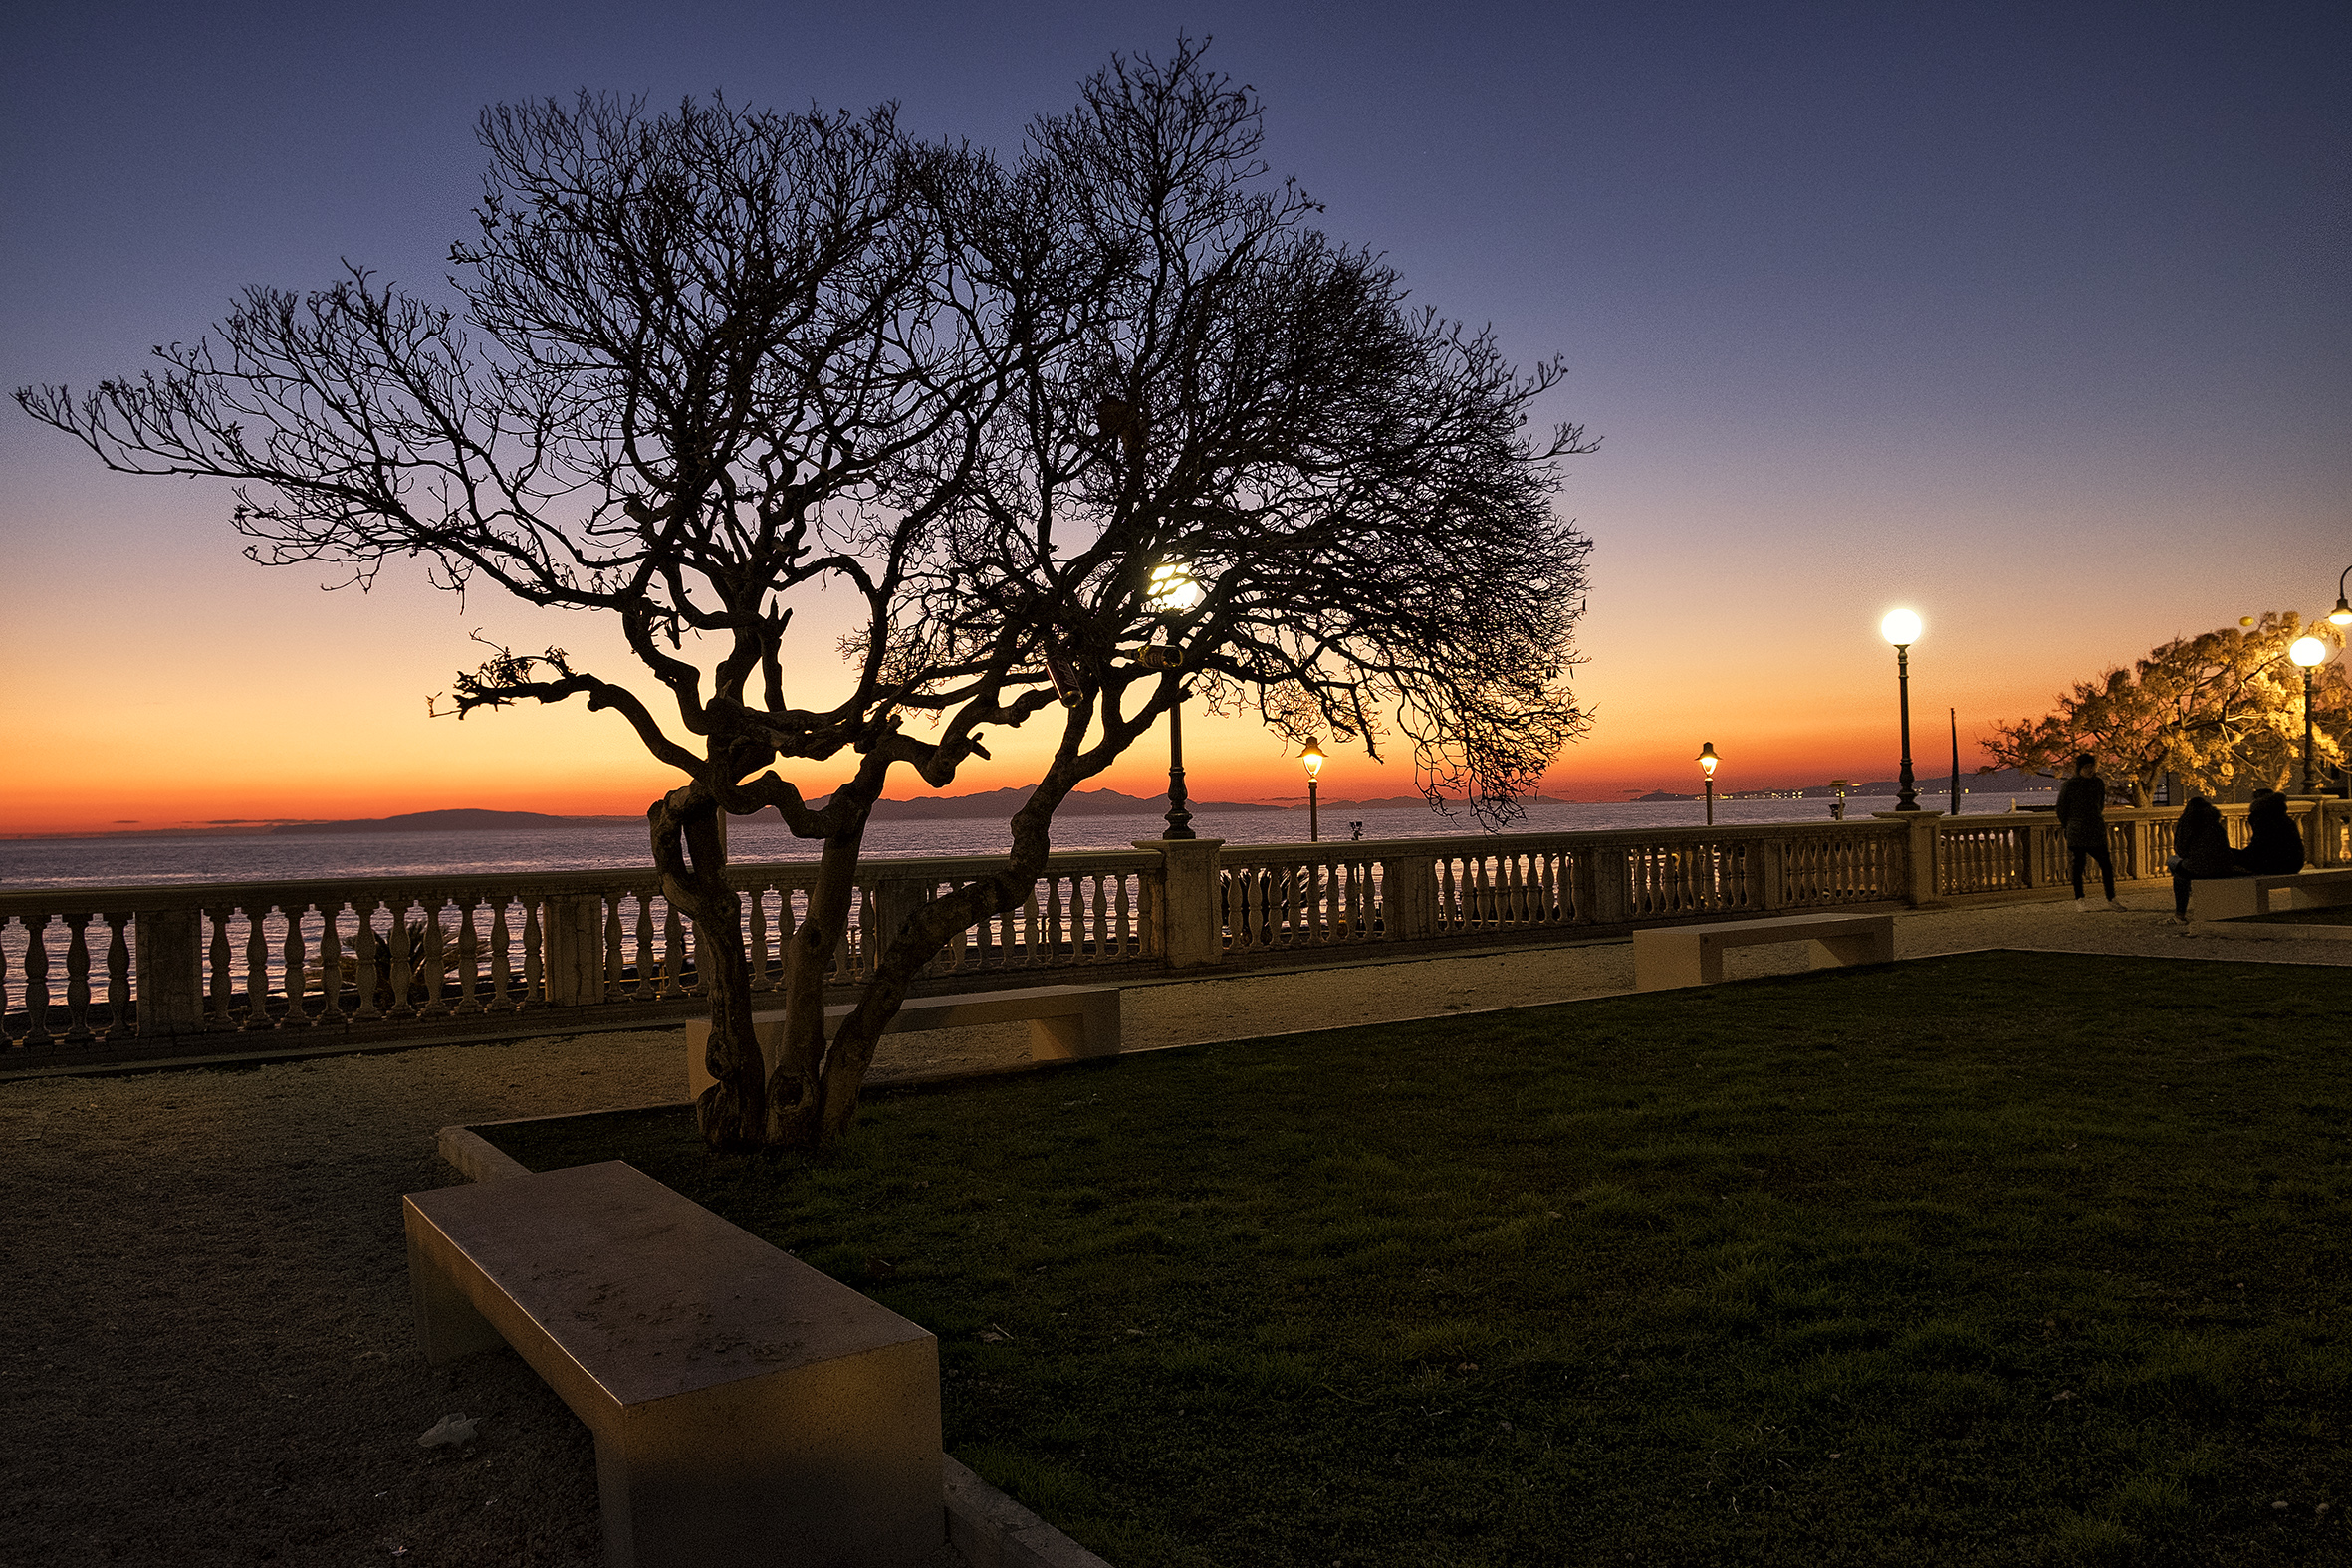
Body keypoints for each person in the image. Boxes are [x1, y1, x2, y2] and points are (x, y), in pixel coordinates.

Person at [2054, 753, 2124, 910]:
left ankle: (2111, 898)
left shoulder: (2098, 783)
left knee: (2106, 865)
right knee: (2078, 866)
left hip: (2095, 830)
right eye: (2087, 767)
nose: (2090, 770)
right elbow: (2061, 809)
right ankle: (2080, 899)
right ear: (2080, 768)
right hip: (2077, 831)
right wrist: (2070, 824)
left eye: (2092, 766)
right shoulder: (2070, 785)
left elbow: (2099, 805)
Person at [2169, 795, 2239, 921]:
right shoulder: (2215, 824)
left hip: (2199, 867)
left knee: (2175, 867)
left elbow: (2181, 851)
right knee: (2183, 868)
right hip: (2222, 867)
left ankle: (2180, 914)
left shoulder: (2187, 824)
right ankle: (2193, 890)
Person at [2234, 789, 2306, 875]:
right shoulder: (2282, 818)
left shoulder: (2265, 819)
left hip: (2277, 864)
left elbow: (2260, 848)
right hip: (2293, 863)